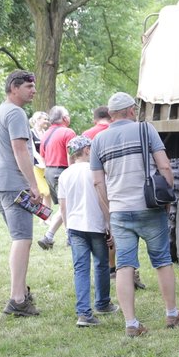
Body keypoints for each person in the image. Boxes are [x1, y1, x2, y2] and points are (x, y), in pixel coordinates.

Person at [91, 91, 179, 337]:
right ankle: (172, 313)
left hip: (120, 211)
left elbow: (98, 183)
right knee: (162, 260)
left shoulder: (98, 141)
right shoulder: (146, 130)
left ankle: (131, 323)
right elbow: (164, 166)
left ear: (111, 115)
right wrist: (166, 200)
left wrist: (109, 213)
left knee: (124, 266)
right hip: (149, 207)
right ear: (132, 110)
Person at [0, 70, 41, 317]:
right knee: (22, 239)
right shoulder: (16, 113)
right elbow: (20, 151)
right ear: (13, 88)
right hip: (13, 185)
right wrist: (33, 184)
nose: (33, 90)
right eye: (29, 86)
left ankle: (20, 293)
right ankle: (18, 300)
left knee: (20, 239)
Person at [58, 135, 119, 327]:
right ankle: (102, 302)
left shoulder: (65, 174)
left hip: (75, 226)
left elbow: (63, 206)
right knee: (101, 264)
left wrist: (68, 229)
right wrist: (110, 226)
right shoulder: (96, 172)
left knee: (81, 269)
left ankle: (83, 312)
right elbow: (104, 199)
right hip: (96, 225)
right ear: (86, 150)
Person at [38, 105, 77, 250]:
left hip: (49, 172)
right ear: (64, 118)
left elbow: (43, 156)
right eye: (67, 114)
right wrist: (74, 172)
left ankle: (48, 237)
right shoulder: (68, 132)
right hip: (62, 171)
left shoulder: (46, 134)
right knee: (67, 206)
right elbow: (72, 155)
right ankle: (70, 237)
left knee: (64, 206)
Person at [29, 111, 52, 213]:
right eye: (44, 119)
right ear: (37, 120)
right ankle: (43, 215)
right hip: (36, 165)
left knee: (49, 193)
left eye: (47, 119)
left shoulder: (46, 133)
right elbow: (33, 150)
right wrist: (41, 160)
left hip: (47, 165)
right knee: (44, 192)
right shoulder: (31, 133)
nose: (47, 121)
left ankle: (45, 218)